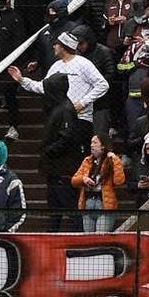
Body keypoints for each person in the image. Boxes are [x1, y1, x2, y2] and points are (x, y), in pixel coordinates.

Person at [36, 72, 87, 230]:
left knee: (70, 208)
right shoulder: (61, 107)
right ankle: (53, 237)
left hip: (62, 170)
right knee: (55, 210)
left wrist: (48, 150)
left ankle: (77, 238)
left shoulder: (64, 109)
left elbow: (67, 137)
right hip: (56, 170)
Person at [71, 135, 126, 233]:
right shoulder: (87, 161)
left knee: (101, 236)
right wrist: (84, 179)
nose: (91, 145)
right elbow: (74, 180)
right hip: (88, 203)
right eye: (91, 142)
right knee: (88, 238)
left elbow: (119, 181)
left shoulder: (111, 160)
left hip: (104, 205)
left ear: (103, 146)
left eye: (95, 142)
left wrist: (115, 160)